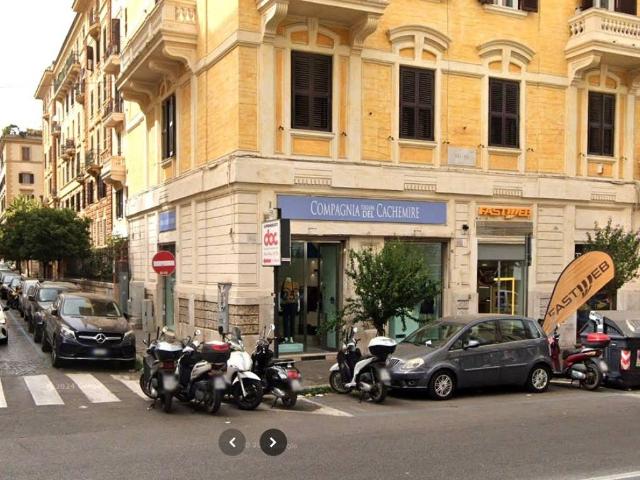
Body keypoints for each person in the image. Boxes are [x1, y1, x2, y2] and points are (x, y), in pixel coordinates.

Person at [281, 277, 300, 343]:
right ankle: (291, 337)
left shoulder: (284, 287)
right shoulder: (295, 287)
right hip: (293, 304)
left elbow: (281, 297)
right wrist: (298, 306)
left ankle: (286, 337)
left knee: (285, 321)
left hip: (286, 304)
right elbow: (298, 297)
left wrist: (280, 306)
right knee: (292, 321)